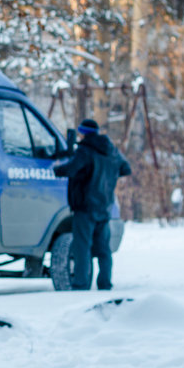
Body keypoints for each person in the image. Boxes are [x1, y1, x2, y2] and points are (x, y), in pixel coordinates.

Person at [52, 118, 132, 290]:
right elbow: (126, 169)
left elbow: (71, 169)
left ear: (83, 133)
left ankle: (80, 284)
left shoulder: (85, 150)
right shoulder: (111, 150)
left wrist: (56, 168)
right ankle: (104, 283)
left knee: (82, 247)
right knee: (103, 249)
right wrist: (108, 176)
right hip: (104, 206)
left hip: (85, 206)